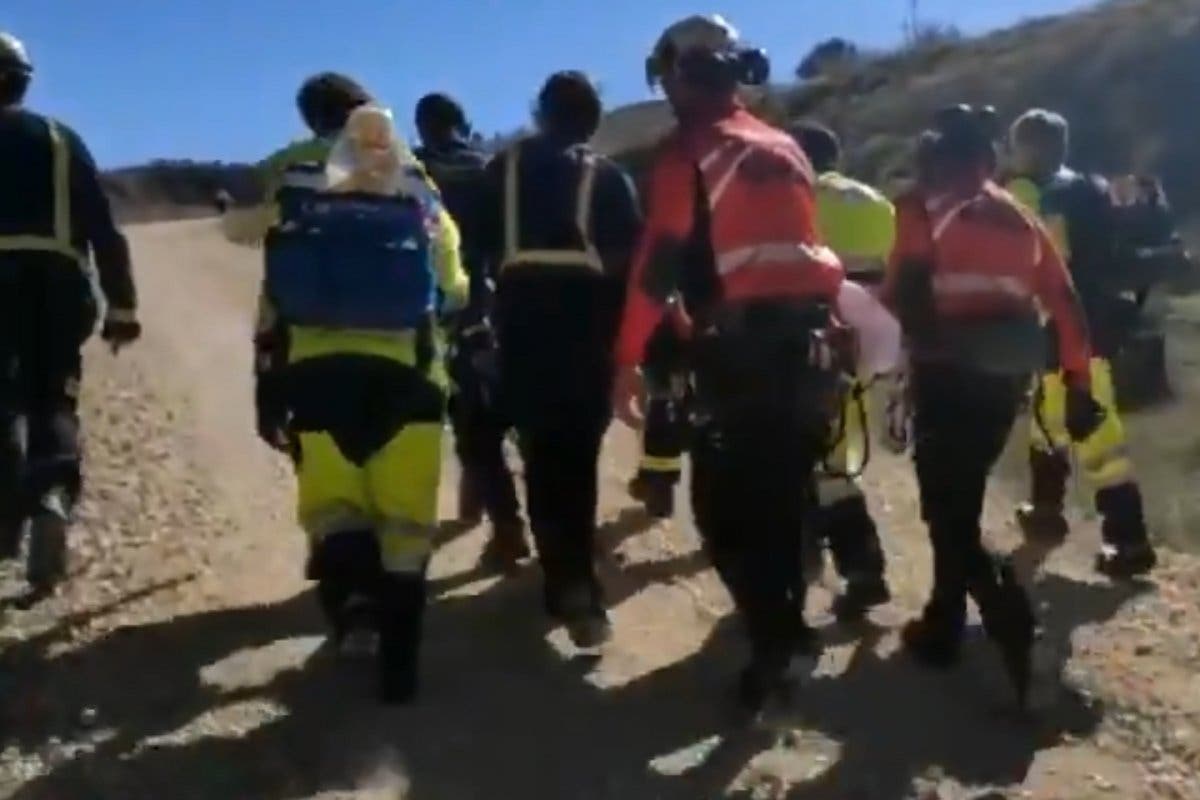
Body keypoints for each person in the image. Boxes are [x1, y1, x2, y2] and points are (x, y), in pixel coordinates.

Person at [614, 14, 849, 713]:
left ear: (678, 75)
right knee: (786, 492)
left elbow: (658, 266)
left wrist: (626, 357)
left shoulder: (689, 149)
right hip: (811, 347)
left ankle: (779, 651)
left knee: (724, 512)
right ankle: (789, 620)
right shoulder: (784, 145)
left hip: (746, 354)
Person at [252, 74, 469, 704]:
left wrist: (266, 375)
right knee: (405, 525)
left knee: (336, 510)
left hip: (314, 371)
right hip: (410, 376)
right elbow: (452, 284)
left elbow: (272, 278)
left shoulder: (289, 174)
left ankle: (353, 611)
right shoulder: (414, 181)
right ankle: (399, 670)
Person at [884, 105, 1100, 705]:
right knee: (962, 494)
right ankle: (944, 621)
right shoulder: (1021, 216)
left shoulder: (919, 206)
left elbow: (901, 288)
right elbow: (1065, 302)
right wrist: (1078, 383)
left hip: (947, 375)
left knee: (946, 514)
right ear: (988, 159)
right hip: (1005, 383)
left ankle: (1018, 634)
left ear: (935, 154)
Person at [478, 71, 641, 648]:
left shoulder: (501, 171)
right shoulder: (610, 179)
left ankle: (568, 580)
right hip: (588, 340)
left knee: (543, 461)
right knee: (577, 461)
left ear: (540, 114)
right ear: (593, 124)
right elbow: (631, 271)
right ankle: (577, 586)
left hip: (523, 336)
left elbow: (471, 254)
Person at [0, 31, 141, 595]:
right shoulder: (61, 140)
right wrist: (123, 305)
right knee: (52, 394)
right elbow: (104, 229)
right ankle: (52, 495)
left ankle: (8, 514)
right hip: (58, 282)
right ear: (24, 81)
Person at [1005, 109, 1157, 579]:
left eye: (1019, 145)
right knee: (1051, 422)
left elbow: (1044, 265)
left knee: (1094, 433)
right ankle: (1046, 512)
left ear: (1032, 146)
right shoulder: (1093, 187)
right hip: (1095, 323)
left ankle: (1129, 542)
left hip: (1065, 326)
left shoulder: (1039, 194)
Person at [413, 93, 527, 570]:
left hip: (448, 308)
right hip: (510, 303)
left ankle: (505, 527)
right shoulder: (495, 169)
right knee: (518, 421)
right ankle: (505, 517)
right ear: (464, 123)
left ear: (423, 129)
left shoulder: (413, 171)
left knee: (473, 425)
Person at [791, 121, 894, 621]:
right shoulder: (878, 202)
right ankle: (859, 570)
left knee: (799, 459)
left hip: (815, 340)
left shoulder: (797, 200)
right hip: (871, 343)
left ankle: (844, 565)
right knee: (837, 455)